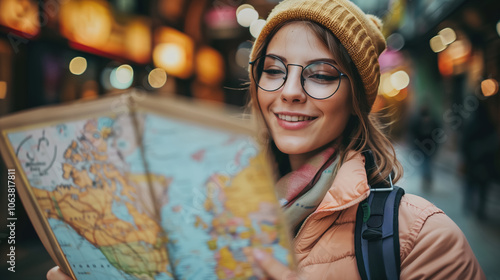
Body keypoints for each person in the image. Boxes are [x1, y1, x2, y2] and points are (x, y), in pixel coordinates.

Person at [48, 0, 485, 279]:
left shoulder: (422, 239)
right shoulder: (200, 208)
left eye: (320, 74)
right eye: (274, 70)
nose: (289, 91)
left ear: (357, 98)